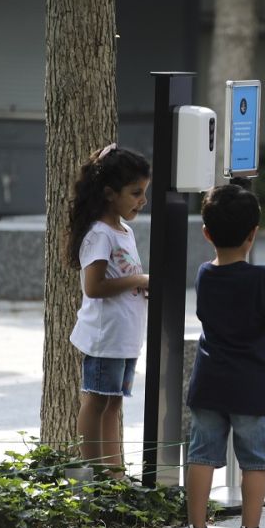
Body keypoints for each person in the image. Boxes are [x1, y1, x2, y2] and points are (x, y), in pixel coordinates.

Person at [183, 184, 265, 528]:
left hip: (208, 381)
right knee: (254, 460)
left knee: (201, 455)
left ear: (206, 233)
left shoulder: (205, 273)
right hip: (251, 386)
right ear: (253, 233)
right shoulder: (261, 277)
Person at [67, 144, 151, 477]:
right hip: (105, 337)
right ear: (109, 193)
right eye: (135, 192)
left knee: (113, 403)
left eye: (144, 192)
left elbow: (122, 280)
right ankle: (92, 473)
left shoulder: (124, 231)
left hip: (125, 337)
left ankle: (114, 473)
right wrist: (141, 279)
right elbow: (95, 286)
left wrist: (141, 285)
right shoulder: (99, 235)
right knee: (97, 401)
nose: (142, 200)